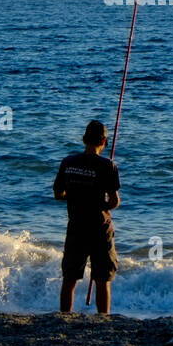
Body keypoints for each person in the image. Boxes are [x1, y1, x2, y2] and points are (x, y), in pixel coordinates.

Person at [54, 119, 120, 314]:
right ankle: (103, 318)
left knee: (70, 277)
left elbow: (58, 194)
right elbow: (114, 201)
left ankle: (65, 316)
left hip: (76, 225)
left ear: (84, 139)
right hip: (99, 227)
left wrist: (75, 196)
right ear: (104, 141)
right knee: (103, 278)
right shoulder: (108, 165)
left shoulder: (68, 162)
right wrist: (102, 205)